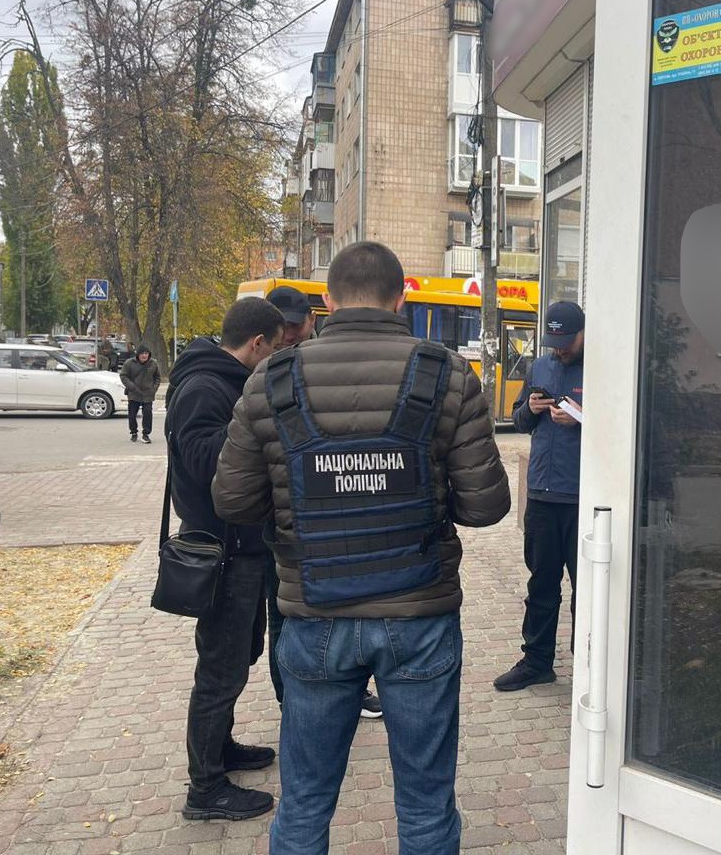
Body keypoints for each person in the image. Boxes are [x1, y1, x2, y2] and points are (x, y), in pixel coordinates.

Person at [212, 242, 510, 855]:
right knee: (426, 806)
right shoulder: (449, 374)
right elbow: (485, 508)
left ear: (327, 301)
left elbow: (233, 502)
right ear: (401, 300)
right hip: (419, 615)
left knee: (303, 804)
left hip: (314, 614)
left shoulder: (271, 379)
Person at [165, 299, 285, 821]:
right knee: (219, 669)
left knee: (238, 658)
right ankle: (206, 789)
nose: (275, 357)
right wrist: (259, 422)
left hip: (243, 548)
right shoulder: (204, 386)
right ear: (256, 344)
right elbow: (203, 462)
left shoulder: (227, 382)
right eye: (275, 347)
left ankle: (222, 749)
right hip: (222, 553)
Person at [261, 285, 384, 720]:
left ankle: (353, 689)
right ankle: (290, 698)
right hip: (291, 530)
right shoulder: (263, 373)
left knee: (354, 612)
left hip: (349, 516)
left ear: (315, 317)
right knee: (288, 614)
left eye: (295, 326)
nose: (289, 334)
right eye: (282, 327)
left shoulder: (325, 361)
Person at [494, 301, 585, 692]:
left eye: (567, 342)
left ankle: (589, 667)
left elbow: (619, 428)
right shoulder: (540, 367)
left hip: (582, 498)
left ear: (583, 333)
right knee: (541, 585)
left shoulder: (603, 369)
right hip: (543, 497)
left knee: (587, 590)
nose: (559, 349)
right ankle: (536, 662)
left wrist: (583, 418)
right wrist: (530, 409)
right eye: (554, 342)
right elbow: (518, 421)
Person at [120, 345, 161, 443]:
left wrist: (154, 389)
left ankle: (146, 434)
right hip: (134, 393)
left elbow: (157, 377)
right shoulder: (129, 363)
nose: (144, 355)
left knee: (147, 413)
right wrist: (132, 387)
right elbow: (123, 376)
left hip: (148, 393)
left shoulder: (153, 363)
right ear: (138, 355)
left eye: (146, 353)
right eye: (142, 353)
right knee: (132, 414)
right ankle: (133, 432)